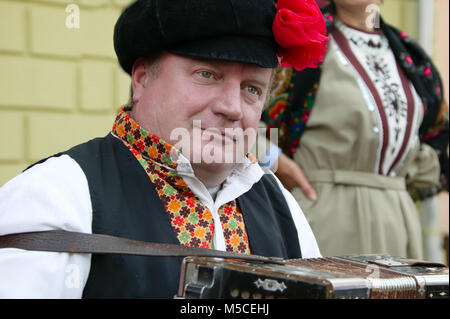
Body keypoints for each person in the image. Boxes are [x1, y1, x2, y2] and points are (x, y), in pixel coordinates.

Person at [0, 0, 327, 298]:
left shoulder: (279, 202)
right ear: (141, 79)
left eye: (251, 89)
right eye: (207, 75)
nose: (233, 108)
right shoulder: (56, 195)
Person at [262, 0, 449, 259]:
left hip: (397, 221)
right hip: (324, 213)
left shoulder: (411, 58)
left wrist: (401, 173)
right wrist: (275, 160)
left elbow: (436, 139)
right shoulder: (305, 43)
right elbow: (246, 120)